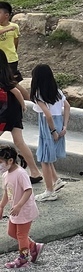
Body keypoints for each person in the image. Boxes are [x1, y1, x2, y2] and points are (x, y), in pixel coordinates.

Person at [30, 63, 70, 201]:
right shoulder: (57, 91)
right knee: (48, 155)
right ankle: (56, 180)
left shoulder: (38, 94)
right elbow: (67, 106)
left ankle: (49, 191)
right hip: (59, 123)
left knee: (44, 159)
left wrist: (52, 131)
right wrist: (64, 127)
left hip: (48, 127)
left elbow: (47, 115)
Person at [0, 51, 42, 181]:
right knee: (19, 142)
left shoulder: (2, 76)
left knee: (19, 141)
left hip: (5, 113)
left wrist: (24, 105)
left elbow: (17, 91)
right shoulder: (8, 74)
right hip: (13, 111)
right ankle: (35, 172)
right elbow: (20, 90)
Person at [0, 142, 42, 268]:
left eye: (0, 162)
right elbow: (7, 192)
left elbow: (28, 190)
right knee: (12, 232)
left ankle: (23, 258)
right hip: (16, 210)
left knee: (21, 235)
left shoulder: (21, 173)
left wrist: (19, 205)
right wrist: (2, 206)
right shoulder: (6, 175)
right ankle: (34, 246)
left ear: (10, 161)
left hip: (24, 209)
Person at [0, 0, 21, 81]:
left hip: (11, 59)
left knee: (10, 82)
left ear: (6, 15)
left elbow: (16, 40)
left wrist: (13, 51)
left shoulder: (15, 26)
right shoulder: (10, 28)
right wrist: (7, 29)